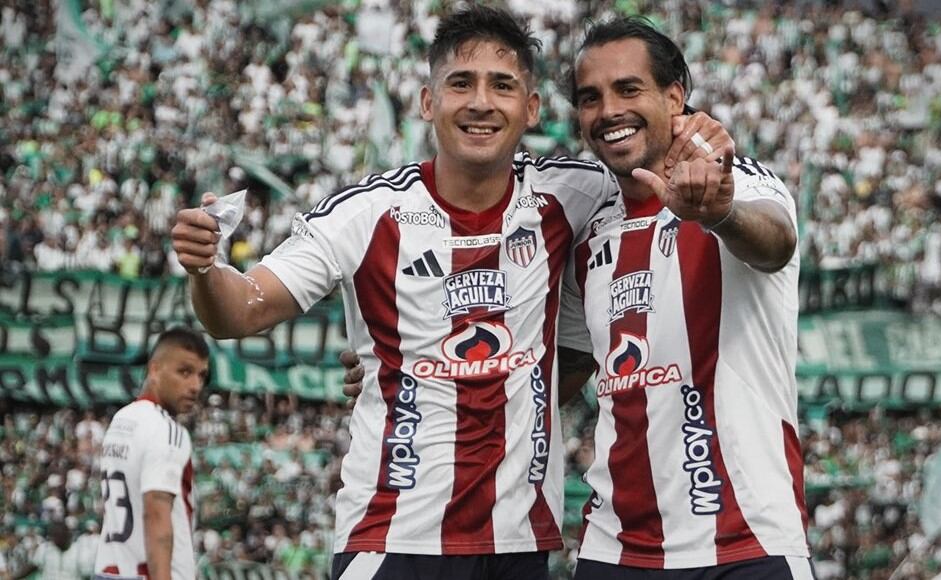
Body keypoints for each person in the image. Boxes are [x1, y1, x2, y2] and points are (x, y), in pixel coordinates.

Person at [171, 6, 728, 579]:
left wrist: (694, 130)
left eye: (503, 85)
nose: (481, 102)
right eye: (461, 83)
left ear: (530, 108)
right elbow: (241, 310)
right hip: (393, 537)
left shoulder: (573, 195)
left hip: (517, 544)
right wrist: (205, 266)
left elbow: (656, 171)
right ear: (428, 102)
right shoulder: (366, 214)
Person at [556, 17, 812, 579]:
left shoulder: (736, 181)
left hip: (744, 544)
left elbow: (775, 242)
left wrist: (717, 213)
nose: (608, 112)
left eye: (629, 89)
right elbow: (569, 363)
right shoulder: (588, 234)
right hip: (613, 550)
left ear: (674, 97)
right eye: (590, 98)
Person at [93, 327, 209, 580]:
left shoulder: (122, 419)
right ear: (154, 369)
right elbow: (156, 513)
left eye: (201, 376)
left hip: (108, 570)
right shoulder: (168, 431)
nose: (195, 386)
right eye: (185, 372)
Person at [12, 521, 94, 580]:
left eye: (59, 535)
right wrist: (12, 577)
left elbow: (88, 575)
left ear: (68, 535)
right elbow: (33, 566)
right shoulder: (45, 549)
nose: (56, 539)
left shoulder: (80, 551)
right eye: (54, 536)